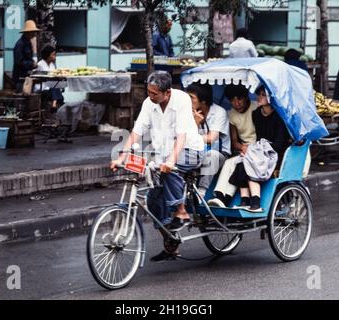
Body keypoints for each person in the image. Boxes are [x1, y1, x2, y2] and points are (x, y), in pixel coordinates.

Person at [110, 71, 204, 261]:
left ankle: (181, 211)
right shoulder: (148, 103)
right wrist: (122, 157)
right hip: (163, 155)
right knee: (153, 199)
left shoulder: (182, 100)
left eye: (154, 94)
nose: (150, 96)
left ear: (167, 92)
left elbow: (182, 135)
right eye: (148, 92)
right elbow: (136, 132)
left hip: (189, 150)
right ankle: (171, 243)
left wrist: (171, 160)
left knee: (170, 167)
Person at [211, 86, 290, 212]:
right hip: (255, 150)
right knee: (233, 163)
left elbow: (278, 143)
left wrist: (254, 150)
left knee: (241, 164)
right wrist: (248, 149)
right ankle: (229, 197)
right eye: (233, 100)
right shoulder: (257, 114)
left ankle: (242, 201)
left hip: (266, 152)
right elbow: (241, 140)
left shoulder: (268, 112)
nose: (237, 103)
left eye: (262, 95)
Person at [207, 84, 257, 207]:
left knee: (236, 163)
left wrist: (252, 148)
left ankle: (225, 199)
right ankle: (219, 196)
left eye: (239, 99)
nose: (236, 103)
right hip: (243, 149)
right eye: (232, 100)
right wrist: (242, 147)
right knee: (229, 162)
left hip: (258, 149)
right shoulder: (231, 115)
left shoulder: (256, 108)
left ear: (246, 97)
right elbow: (234, 142)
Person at [185, 82, 231, 198]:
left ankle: (201, 192)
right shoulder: (188, 113)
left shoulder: (219, 112)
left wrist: (191, 135)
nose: (188, 100)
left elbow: (211, 138)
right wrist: (195, 123)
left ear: (203, 100)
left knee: (211, 155)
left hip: (220, 154)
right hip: (198, 152)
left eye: (191, 98)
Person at [13, 20, 40, 92]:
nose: (34, 34)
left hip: (27, 76)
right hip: (20, 77)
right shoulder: (20, 44)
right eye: (33, 32)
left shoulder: (28, 42)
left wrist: (32, 63)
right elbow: (18, 62)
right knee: (21, 98)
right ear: (28, 33)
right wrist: (31, 63)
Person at [34, 45, 64, 112]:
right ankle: (54, 104)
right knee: (54, 87)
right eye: (53, 54)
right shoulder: (40, 65)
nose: (54, 56)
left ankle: (54, 104)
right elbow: (38, 76)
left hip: (50, 86)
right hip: (42, 86)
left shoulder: (52, 65)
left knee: (55, 86)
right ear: (47, 55)